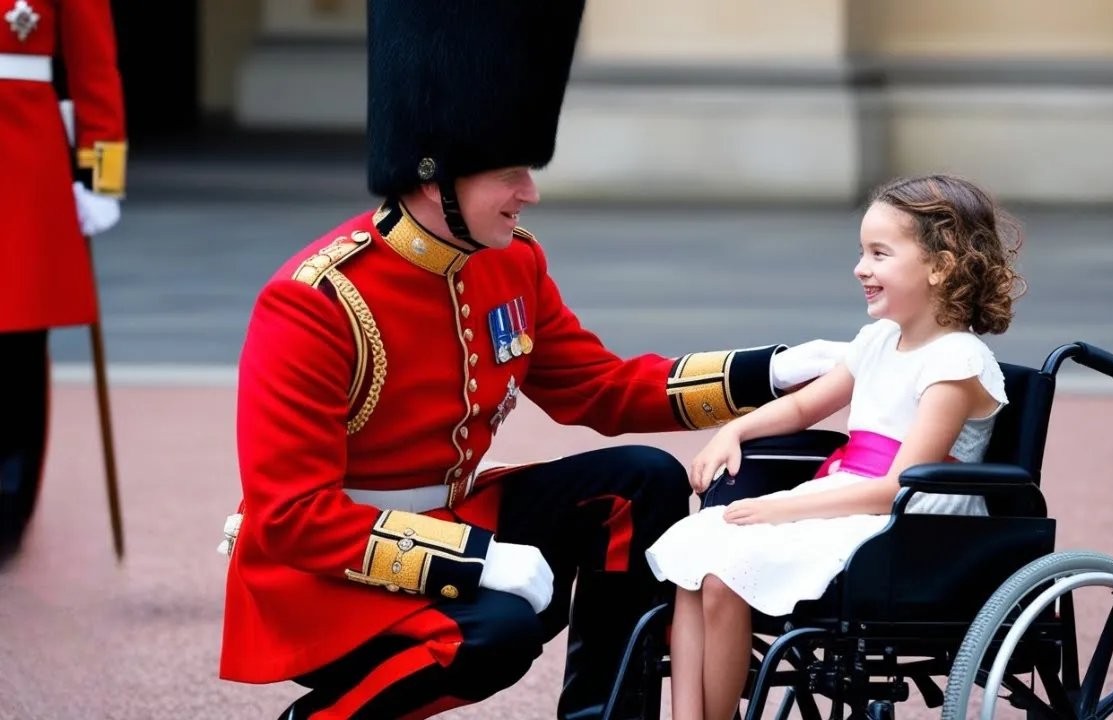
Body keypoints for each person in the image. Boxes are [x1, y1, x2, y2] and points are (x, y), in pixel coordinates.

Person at [216, 3, 844, 719]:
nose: (531, 192)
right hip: (329, 574)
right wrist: (476, 560)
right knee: (497, 633)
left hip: (455, 513)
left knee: (641, 483)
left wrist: (770, 372)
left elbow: (601, 391)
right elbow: (293, 516)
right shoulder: (318, 301)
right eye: (510, 172)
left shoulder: (510, 262)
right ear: (434, 179)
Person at [646, 174, 1027, 720]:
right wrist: (734, 430)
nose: (860, 268)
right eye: (861, 252)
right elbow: (804, 407)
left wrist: (782, 507)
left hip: (910, 519)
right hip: (850, 495)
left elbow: (899, 486)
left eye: (879, 253)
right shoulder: (876, 340)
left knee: (726, 571)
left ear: (940, 266)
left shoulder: (957, 362)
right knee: (696, 552)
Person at [0, 0, 126, 554]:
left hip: (20, 151)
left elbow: (94, 66)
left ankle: (8, 497)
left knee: (17, 335)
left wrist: (101, 174)